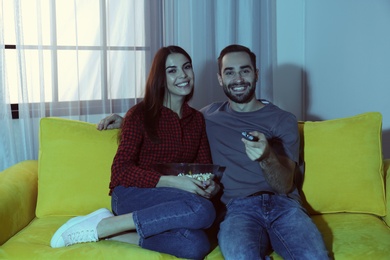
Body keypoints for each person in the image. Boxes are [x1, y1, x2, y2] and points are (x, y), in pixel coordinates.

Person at [97, 44, 329, 259]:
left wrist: (260, 159)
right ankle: (109, 225)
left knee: (198, 245)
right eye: (229, 72)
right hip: (224, 207)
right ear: (220, 78)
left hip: (282, 206)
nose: (238, 78)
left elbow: (282, 184)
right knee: (213, 223)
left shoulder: (207, 119)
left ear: (256, 74)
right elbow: (125, 164)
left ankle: (120, 234)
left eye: (245, 71)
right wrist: (127, 120)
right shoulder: (200, 115)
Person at [50, 45, 220, 260]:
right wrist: (175, 182)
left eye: (186, 67)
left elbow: (202, 166)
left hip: (174, 202)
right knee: (203, 210)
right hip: (131, 195)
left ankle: (115, 234)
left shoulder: (196, 119)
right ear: (160, 77)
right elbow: (120, 171)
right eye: (172, 70)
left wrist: (209, 184)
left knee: (195, 246)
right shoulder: (139, 114)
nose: (182, 75)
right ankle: (107, 225)